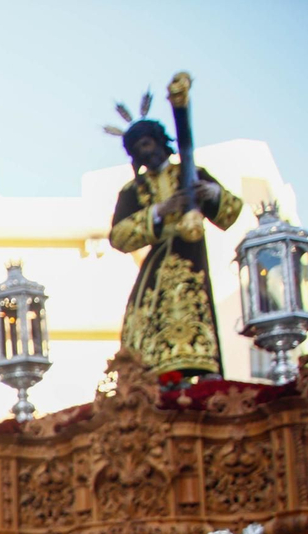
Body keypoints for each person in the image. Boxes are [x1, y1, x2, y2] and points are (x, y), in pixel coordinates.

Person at [106, 99, 242, 381]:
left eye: (148, 144)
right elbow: (118, 237)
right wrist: (159, 211)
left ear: (158, 141)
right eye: (139, 149)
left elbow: (230, 212)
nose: (147, 152)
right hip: (157, 268)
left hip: (192, 263)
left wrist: (212, 193)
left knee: (196, 312)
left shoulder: (190, 174)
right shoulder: (134, 191)